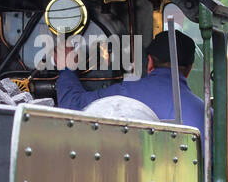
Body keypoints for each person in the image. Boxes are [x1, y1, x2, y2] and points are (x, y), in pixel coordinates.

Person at [56, 29, 204, 140]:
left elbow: (72, 107)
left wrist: (67, 68)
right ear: (190, 68)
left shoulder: (123, 93)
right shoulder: (204, 113)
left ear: (150, 62)